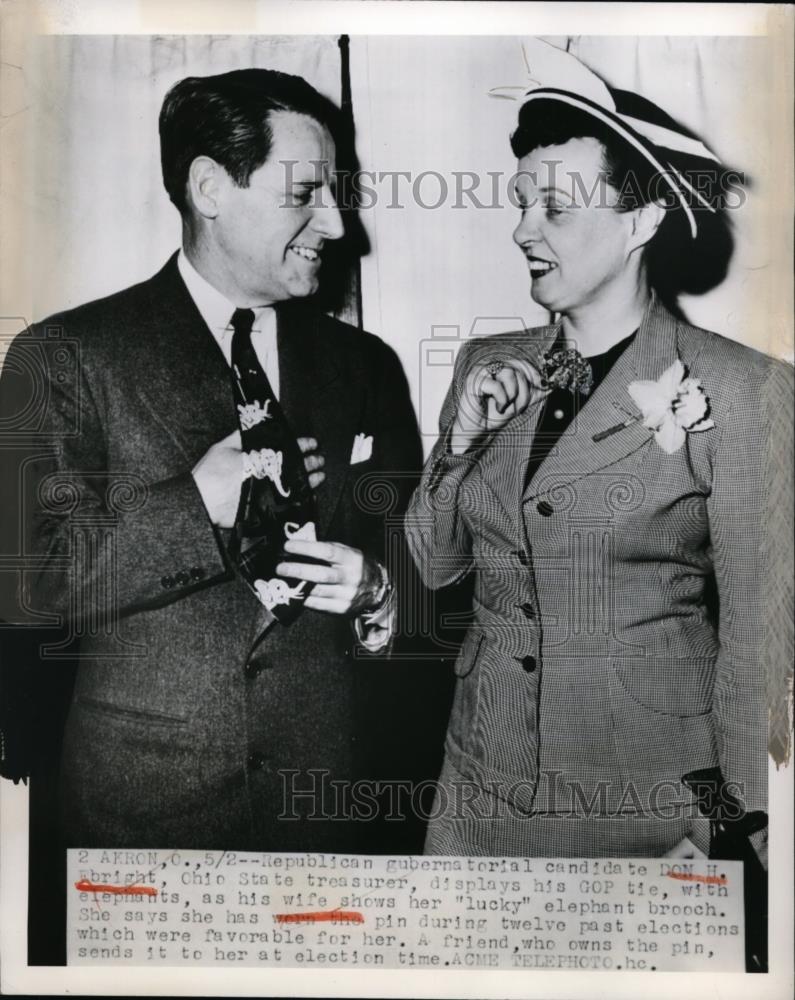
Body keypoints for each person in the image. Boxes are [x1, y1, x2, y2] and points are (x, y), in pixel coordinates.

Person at [0, 68, 421, 852]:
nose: (335, 224)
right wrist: (196, 503)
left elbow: (412, 557)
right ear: (209, 188)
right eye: (304, 194)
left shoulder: (366, 366)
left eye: (334, 193)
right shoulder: (64, 355)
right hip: (141, 815)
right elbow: (30, 582)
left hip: (326, 807)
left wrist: (379, 592)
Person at [405, 42, 793, 863]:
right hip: (479, 785)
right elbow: (433, 568)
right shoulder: (484, 363)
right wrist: (460, 447)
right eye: (519, 203)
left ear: (641, 221)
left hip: (652, 801)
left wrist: (735, 824)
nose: (522, 229)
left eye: (553, 206)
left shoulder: (743, 387)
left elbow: (756, 641)